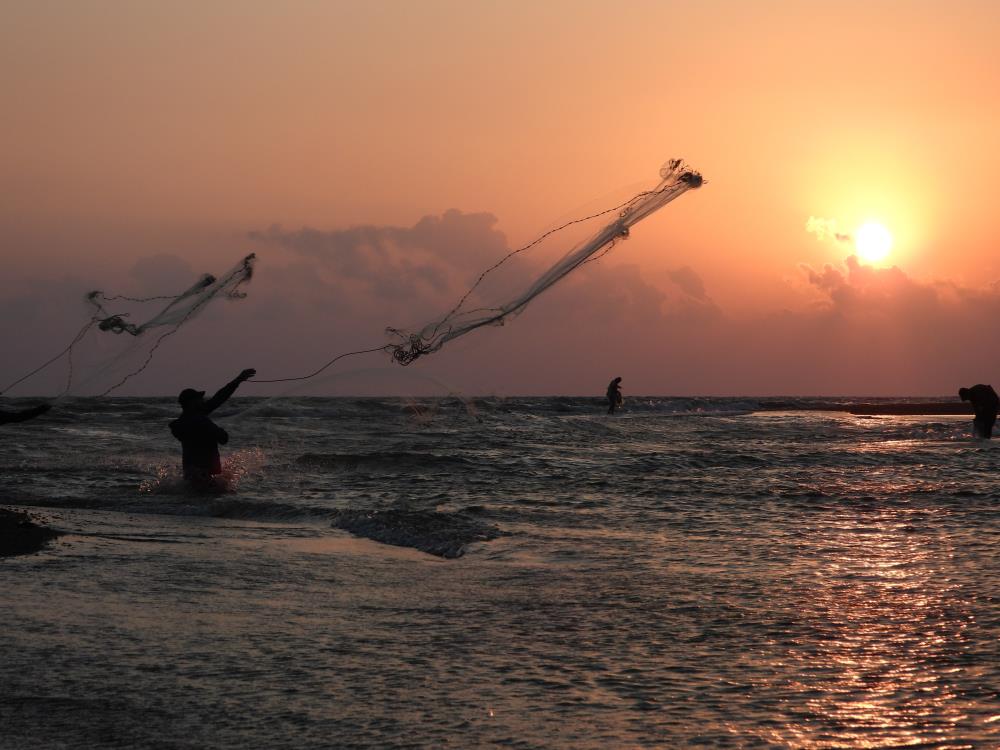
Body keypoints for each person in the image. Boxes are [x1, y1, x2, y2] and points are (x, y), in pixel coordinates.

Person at [169, 369, 255, 482]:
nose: (203, 401)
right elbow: (223, 438)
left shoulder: (181, 423)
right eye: (200, 399)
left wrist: (238, 380)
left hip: (190, 474)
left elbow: (219, 398)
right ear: (192, 403)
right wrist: (221, 431)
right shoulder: (201, 420)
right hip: (207, 475)